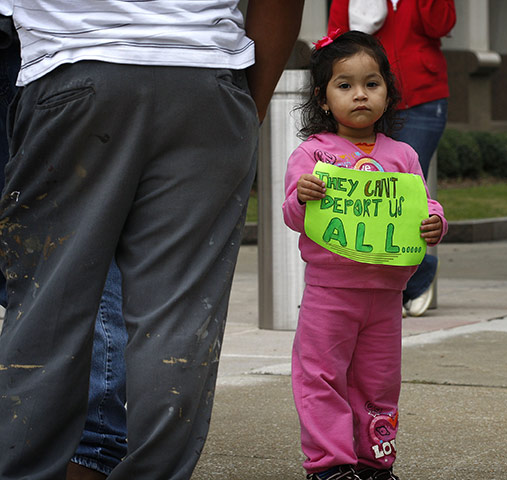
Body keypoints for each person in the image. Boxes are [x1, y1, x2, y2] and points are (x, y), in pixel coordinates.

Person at [0, 1, 304, 479]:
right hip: (205, 77)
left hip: (74, 70)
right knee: (179, 318)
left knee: (48, 309)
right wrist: (248, 110)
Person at [283, 30, 447, 480]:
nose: (360, 95)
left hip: (385, 295)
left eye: (372, 84)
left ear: (388, 94)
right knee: (321, 377)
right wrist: (303, 195)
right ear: (322, 99)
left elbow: (421, 205)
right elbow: (293, 216)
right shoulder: (312, 155)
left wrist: (436, 222)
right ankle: (330, 464)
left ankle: (375, 461)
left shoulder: (403, 155)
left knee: (378, 381)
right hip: (330, 292)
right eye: (345, 85)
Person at [0, 25, 127, 480]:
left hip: (53, 49)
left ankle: (85, 448)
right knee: (68, 251)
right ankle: (84, 446)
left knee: (76, 249)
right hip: (61, 49)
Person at [328, 0, 456, 317]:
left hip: (422, 98)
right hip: (366, 99)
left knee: (407, 190)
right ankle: (400, 278)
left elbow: (441, 24)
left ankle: (409, 276)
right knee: (367, 188)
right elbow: (337, 38)